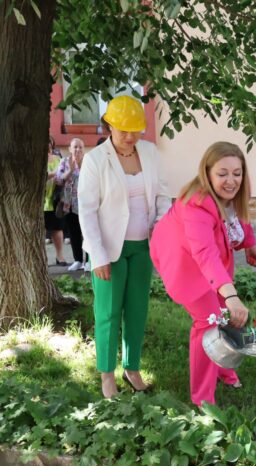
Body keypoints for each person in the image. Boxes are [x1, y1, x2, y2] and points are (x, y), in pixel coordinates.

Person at [150, 141, 256, 407]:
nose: (231, 180)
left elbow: (241, 215)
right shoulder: (196, 205)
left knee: (223, 313)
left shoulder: (239, 188)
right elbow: (204, 254)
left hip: (213, 259)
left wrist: (250, 245)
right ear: (207, 173)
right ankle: (203, 400)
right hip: (184, 261)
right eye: (222, 173)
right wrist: (232, 295)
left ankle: (223, 368)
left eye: (237, 173)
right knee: (208, 323)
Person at [78, 95, 171, 398]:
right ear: (109, 127)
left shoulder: (150, 152)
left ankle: (132, 368)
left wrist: (160, 228)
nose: (130, 138)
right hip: (108, 250)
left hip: (143, 246)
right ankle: (107, 374)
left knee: (137, 310)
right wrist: (98, 256)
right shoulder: (95, 160)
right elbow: (88, 211)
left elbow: (163, 195)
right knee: (108, 313)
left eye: (136, 131)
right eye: (124, 131)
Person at [55, 138, 86, 271]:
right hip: (69, 204)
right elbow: (58, 180)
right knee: (74, 233)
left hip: (86, 204)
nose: (78, 150)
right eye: (75, 147)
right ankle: (78, 260)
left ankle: (89, 261)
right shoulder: (64, 162)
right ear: (70, 149)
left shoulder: (88, 162)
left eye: (80, 147)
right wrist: (70, 170)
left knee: (87, 232)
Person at [44, 137, 67, 266]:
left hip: (54, 198)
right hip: (39, 200)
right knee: (39, 230)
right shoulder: (35, 159)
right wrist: (55, 173)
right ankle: (42, 258)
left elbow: (63, 176)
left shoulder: (58, 159)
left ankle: (60, 256)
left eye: (49, 142)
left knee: (57, 228)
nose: (47, 145)